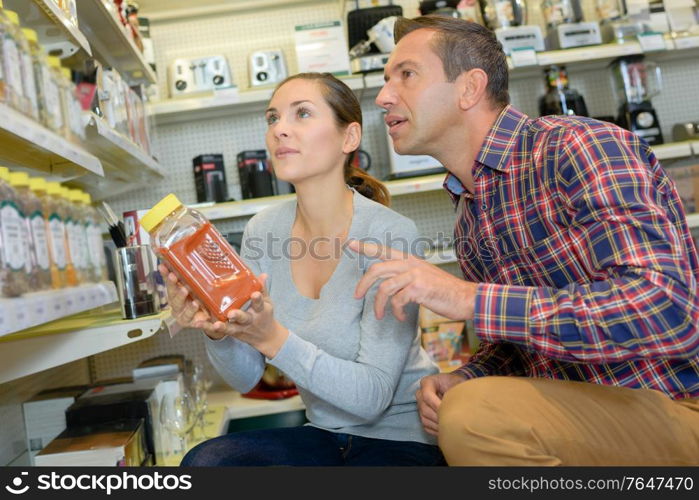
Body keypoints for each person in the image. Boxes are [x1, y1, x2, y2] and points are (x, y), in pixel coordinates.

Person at [349, 15, 699, 465]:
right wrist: (469, 375)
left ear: (469, 88)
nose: (383, 96)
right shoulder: (470, 211)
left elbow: (666, 307)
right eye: (384, 79)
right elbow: (521, 347)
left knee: (475, 417)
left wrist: (468, 298)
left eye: (407, 75)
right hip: (584, 417)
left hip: (676, 405)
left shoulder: (578, 147)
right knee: (465, 404)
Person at [161, 72, 445, 466]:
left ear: (349, 138)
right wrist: (219, 330)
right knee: (206, 463)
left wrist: (273, 338)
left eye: (303, 114)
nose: (280, 130)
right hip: (323, 437)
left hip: (400, 441)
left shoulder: (388, 234)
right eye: (272, 118)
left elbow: (372, 398)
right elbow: (246, 378)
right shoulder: (263, 230)